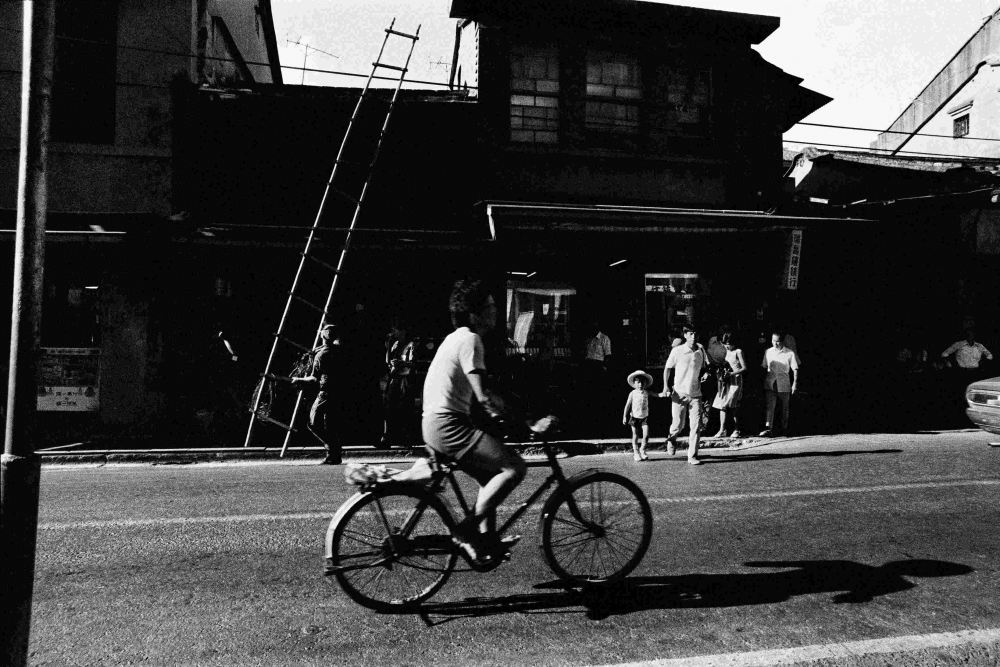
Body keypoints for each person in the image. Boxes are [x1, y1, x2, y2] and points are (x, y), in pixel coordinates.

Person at [422, 279, 527, 566]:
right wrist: (523, 422)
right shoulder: (470, 339)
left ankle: (485, 543)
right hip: (448, 425)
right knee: (514, 467)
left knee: (488, 475)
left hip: (436, 424)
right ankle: (465, 531)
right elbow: (484, 396)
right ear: (474, 313)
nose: (496, 312)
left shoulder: (453, 338)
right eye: (491, 307)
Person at [290, 324, 343, 465]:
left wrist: (299, 379)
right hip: (338, 390)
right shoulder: (337, 350)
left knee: (313, 423)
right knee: (329, 424)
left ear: (322, 335)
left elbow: (314, 377)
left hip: (325, 392)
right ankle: (334, 455)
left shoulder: (321, 355)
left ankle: (333, 448)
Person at [659, 325, 710, 465]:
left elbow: (706, 368)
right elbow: (667, 369)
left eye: (696, 334)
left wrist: (705, 374)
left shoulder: (700, 351)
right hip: (679, 393)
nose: (694, 336)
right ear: (685, 335)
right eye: (691, 334)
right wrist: (665, 386)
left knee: (696, 426)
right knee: (678, 425)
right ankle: (672, 438)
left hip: (696, 394)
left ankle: (692, 455)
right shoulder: (677, 351)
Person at [380, 321, 415, 448]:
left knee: (404, 407)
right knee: (389, 407)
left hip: (404, 378)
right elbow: (387, 361)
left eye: (396, 330)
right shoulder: (394, 343)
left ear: (403, 331)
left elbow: (413, 363)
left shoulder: (411, 345)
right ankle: (387, 436)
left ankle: (406, 438)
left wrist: (401, 363)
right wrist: (388, 347)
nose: (394, 333)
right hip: (394, 377)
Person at [759, 332, 799, 437]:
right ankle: (769, 428)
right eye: (773, 341)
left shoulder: (790, 353)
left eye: (777, 341)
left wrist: (795, 383)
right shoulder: (768, 351)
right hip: (770, 382)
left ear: (782, 341)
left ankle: (784, 428)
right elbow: (764, 367)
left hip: (784, 382)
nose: (775, 343)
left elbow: (795, 369)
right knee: (770, 406)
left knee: (784, 407)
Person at [712, 333, 746, 438]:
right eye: (725, 344)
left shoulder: (738, 352)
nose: (727, 346)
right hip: (725, 382)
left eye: (729, 344)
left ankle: (736, 429)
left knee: (733, 405)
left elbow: (744, 368)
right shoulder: (725, 352)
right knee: (722, 404)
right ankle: (722, 429)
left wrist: (731, 373)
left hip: (735, 381)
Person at [622, 370, 653, 461]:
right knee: (635, 435)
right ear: (634, 383)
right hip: (634, 417)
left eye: (642, 382)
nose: (640, 384)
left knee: (646, 435)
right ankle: (635, 452)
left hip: (644, 417)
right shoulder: (632, 393)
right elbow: (627, 405)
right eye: (638, 382)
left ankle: (642, 450)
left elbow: (656, 394)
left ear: (645, 383)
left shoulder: (646, 392)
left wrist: (663, 394)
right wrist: (624, 416)